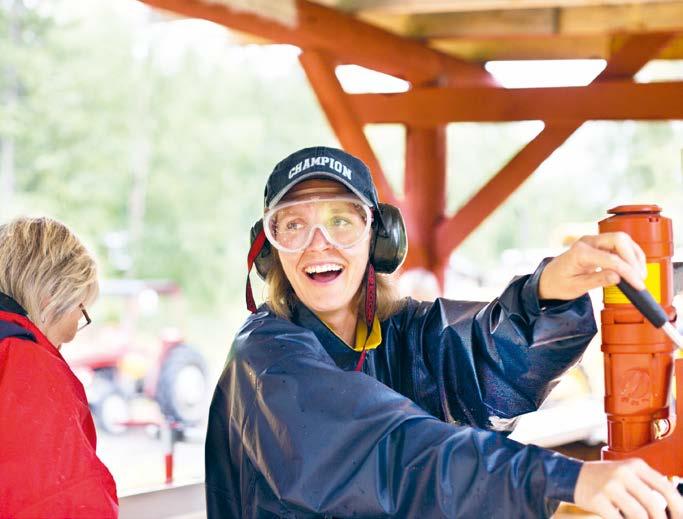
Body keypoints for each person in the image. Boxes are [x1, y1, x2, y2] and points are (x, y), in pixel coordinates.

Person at [206, 146, 683, 518]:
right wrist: (561, 479)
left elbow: (485, 364)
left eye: (340, 221)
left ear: (379, 239)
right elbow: (393, 451)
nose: (318, 244)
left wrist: (550, 291)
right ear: (269, 250)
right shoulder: (265, 362)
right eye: (293, 225)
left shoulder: (399, 333)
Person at [0, 217, 118, 518]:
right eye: (81, 311)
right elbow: (64, 503)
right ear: (51, 297)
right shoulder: (25, 368)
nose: (71, 334)